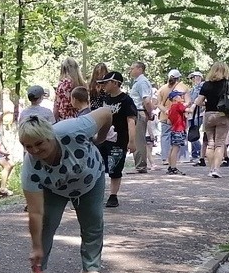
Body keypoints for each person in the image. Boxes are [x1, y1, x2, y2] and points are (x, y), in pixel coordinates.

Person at [18, 106, 115, 273]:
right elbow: (35, 213)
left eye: (39, 143)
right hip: (55, 188)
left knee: (93, 221)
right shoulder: (31, 169)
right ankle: (37, 270)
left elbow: (106, 112)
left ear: (51, 136)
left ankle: (91, 270)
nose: (34, 150)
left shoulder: (74, 129)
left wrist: (100, 138)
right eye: (28, 146)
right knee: (47, 223)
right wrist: (36, 247)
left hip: (90, 179)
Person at [95, 70, 140, 207]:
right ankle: (97, 195)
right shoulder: (104, 99)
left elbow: (131, 121)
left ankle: (113, 195)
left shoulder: (126, 100)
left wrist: (131, 141)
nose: (103, 86)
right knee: (99, 167)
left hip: (118, 140)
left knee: (115, 168)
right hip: (102, 139)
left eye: (106, 83)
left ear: (115, 83)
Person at [191, 61, 229, 178]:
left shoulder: (206, 85)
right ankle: (216, 169)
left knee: (210, 144)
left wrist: (207, 104)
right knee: (220, 143)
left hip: (209, 115)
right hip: (223, 115)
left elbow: (199, 101)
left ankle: (211, 169)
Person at [128, 61, 155, 173]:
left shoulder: (142, 82)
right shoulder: (138, 82)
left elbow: (146, 100)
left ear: (140, 69)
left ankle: (140, 166)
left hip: (139, 112)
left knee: (138, 140)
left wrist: (150, 112)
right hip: (138, 111)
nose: (130, 70)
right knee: (137, 138)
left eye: (132, 68)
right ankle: (139, 165)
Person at [54, 57, 86, 122]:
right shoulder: (82, 85)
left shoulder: (62, 85)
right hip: (80, 118)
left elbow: (56, 106)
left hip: (64, 121)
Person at [165, 90, 188, 175]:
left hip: (173, 129)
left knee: (172, 148)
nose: (181, 97)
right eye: (179, 96)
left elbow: (168, 122)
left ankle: (170, 166)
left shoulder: (171, 108)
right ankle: (173, 167)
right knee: (176, 148)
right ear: (174, 99)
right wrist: (195, 104)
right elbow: (189, 110)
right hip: (179, 129)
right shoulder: (178, 105)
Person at [185, 70, 205, 164]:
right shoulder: (193, 88)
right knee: (192, 133)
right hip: (191, 114)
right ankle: (195, 154)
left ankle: (201, 152)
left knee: (194, 133)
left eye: (195, 77)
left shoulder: (201, 86)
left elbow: (197, 98)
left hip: (198, 113)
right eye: (192, 78)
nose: (193, 79)